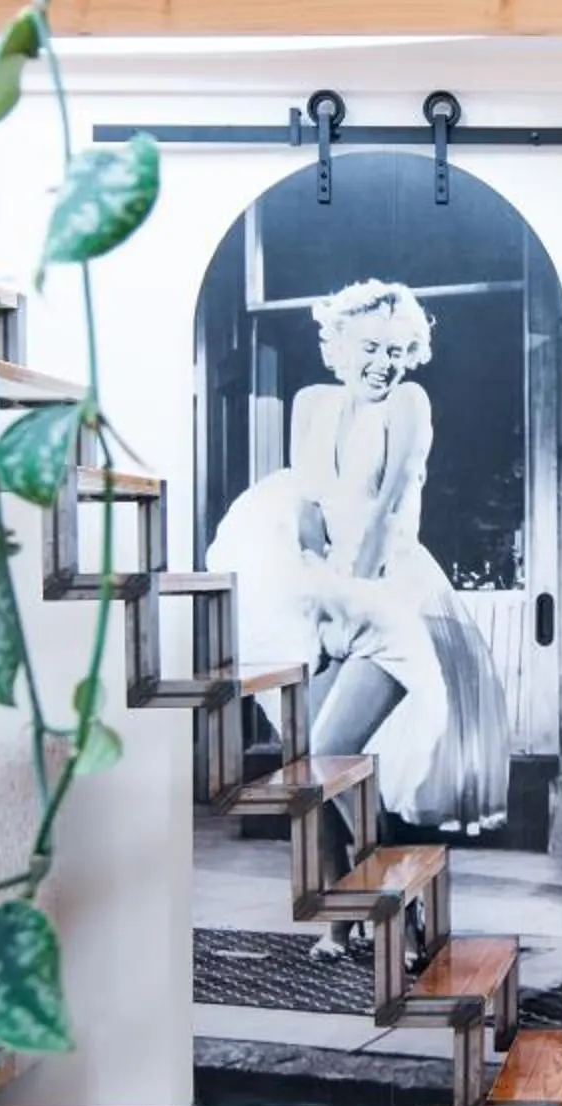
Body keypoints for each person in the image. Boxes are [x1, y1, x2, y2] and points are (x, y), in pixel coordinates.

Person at [207, 277, 512, 835]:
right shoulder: (310, 403)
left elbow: (385, 514)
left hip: (390, 596)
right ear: (340, 345)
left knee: (328, 756)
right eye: (371, 348)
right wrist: (317, 595)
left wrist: (346, 607)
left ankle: (383, 874)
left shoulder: (408, 402)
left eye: (396, 351)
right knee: (313, 764)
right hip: (328, 589)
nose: (383, 364)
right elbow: (306, 509)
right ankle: (347, 892)